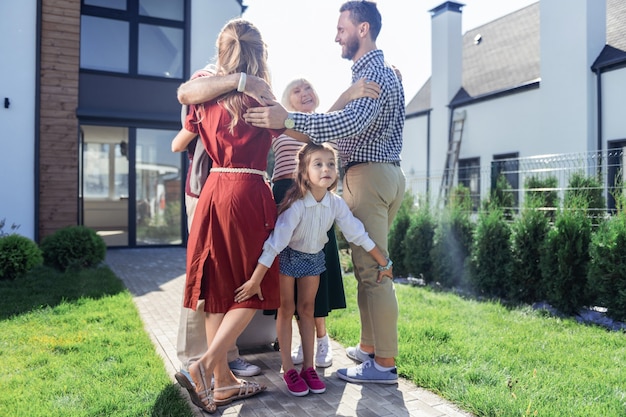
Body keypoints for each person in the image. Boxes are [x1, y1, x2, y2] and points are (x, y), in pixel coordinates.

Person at [243, 0, 406, 385]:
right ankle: (369, 348)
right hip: (388, 174)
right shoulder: (387, 73)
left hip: (368, 177)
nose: (336, 36)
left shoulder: (374, 72)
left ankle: (383, 364)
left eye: (342, 28)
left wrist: (290, 118)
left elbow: (350, 121)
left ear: (362, 29)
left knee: (375, 274)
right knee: (367, 272)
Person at [176, 18, 286, 413]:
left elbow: (185, 95)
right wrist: (249, 84)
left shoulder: (206, 91)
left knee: (217, 287)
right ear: (260, 54)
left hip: (213, 192)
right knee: (253, 285)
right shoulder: (259, 94)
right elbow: (290, 134)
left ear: (222, 50)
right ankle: (205, 366)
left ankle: (222, 382)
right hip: (248, 190)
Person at [240, 142, 393, 396]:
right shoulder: (297, 206)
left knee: (308, 310)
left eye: (331, 164)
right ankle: (288, 367)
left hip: (313, 259)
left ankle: (308, 368)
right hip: (288, 257)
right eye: (318, 164)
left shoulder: (335, 203)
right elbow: (274, 244)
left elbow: (356, 232)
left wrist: (383, 261)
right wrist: (256, 280)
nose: (326, 169)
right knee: (286, 310)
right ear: (304, 171)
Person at [171, 65, 271, 394]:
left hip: (214, 190)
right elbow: (184, 107)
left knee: (216, 285)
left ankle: (223, 372)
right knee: (232, 284)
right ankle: (199, 361)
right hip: (211, 190)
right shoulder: (210, 85)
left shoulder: (231, 96)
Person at [274, 77, 381, 369]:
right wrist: (347, 94)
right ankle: (299, 341)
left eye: (308, 87)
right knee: (288, 278)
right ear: (287, 100)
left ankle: (322, 340)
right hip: (285, 197)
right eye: (296, 90)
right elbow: (307, 134)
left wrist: (348, 97)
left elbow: (318, 136)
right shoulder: (284, 124)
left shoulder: (325, 127)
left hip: (318, 201)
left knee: (315, 273)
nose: (304, 92)